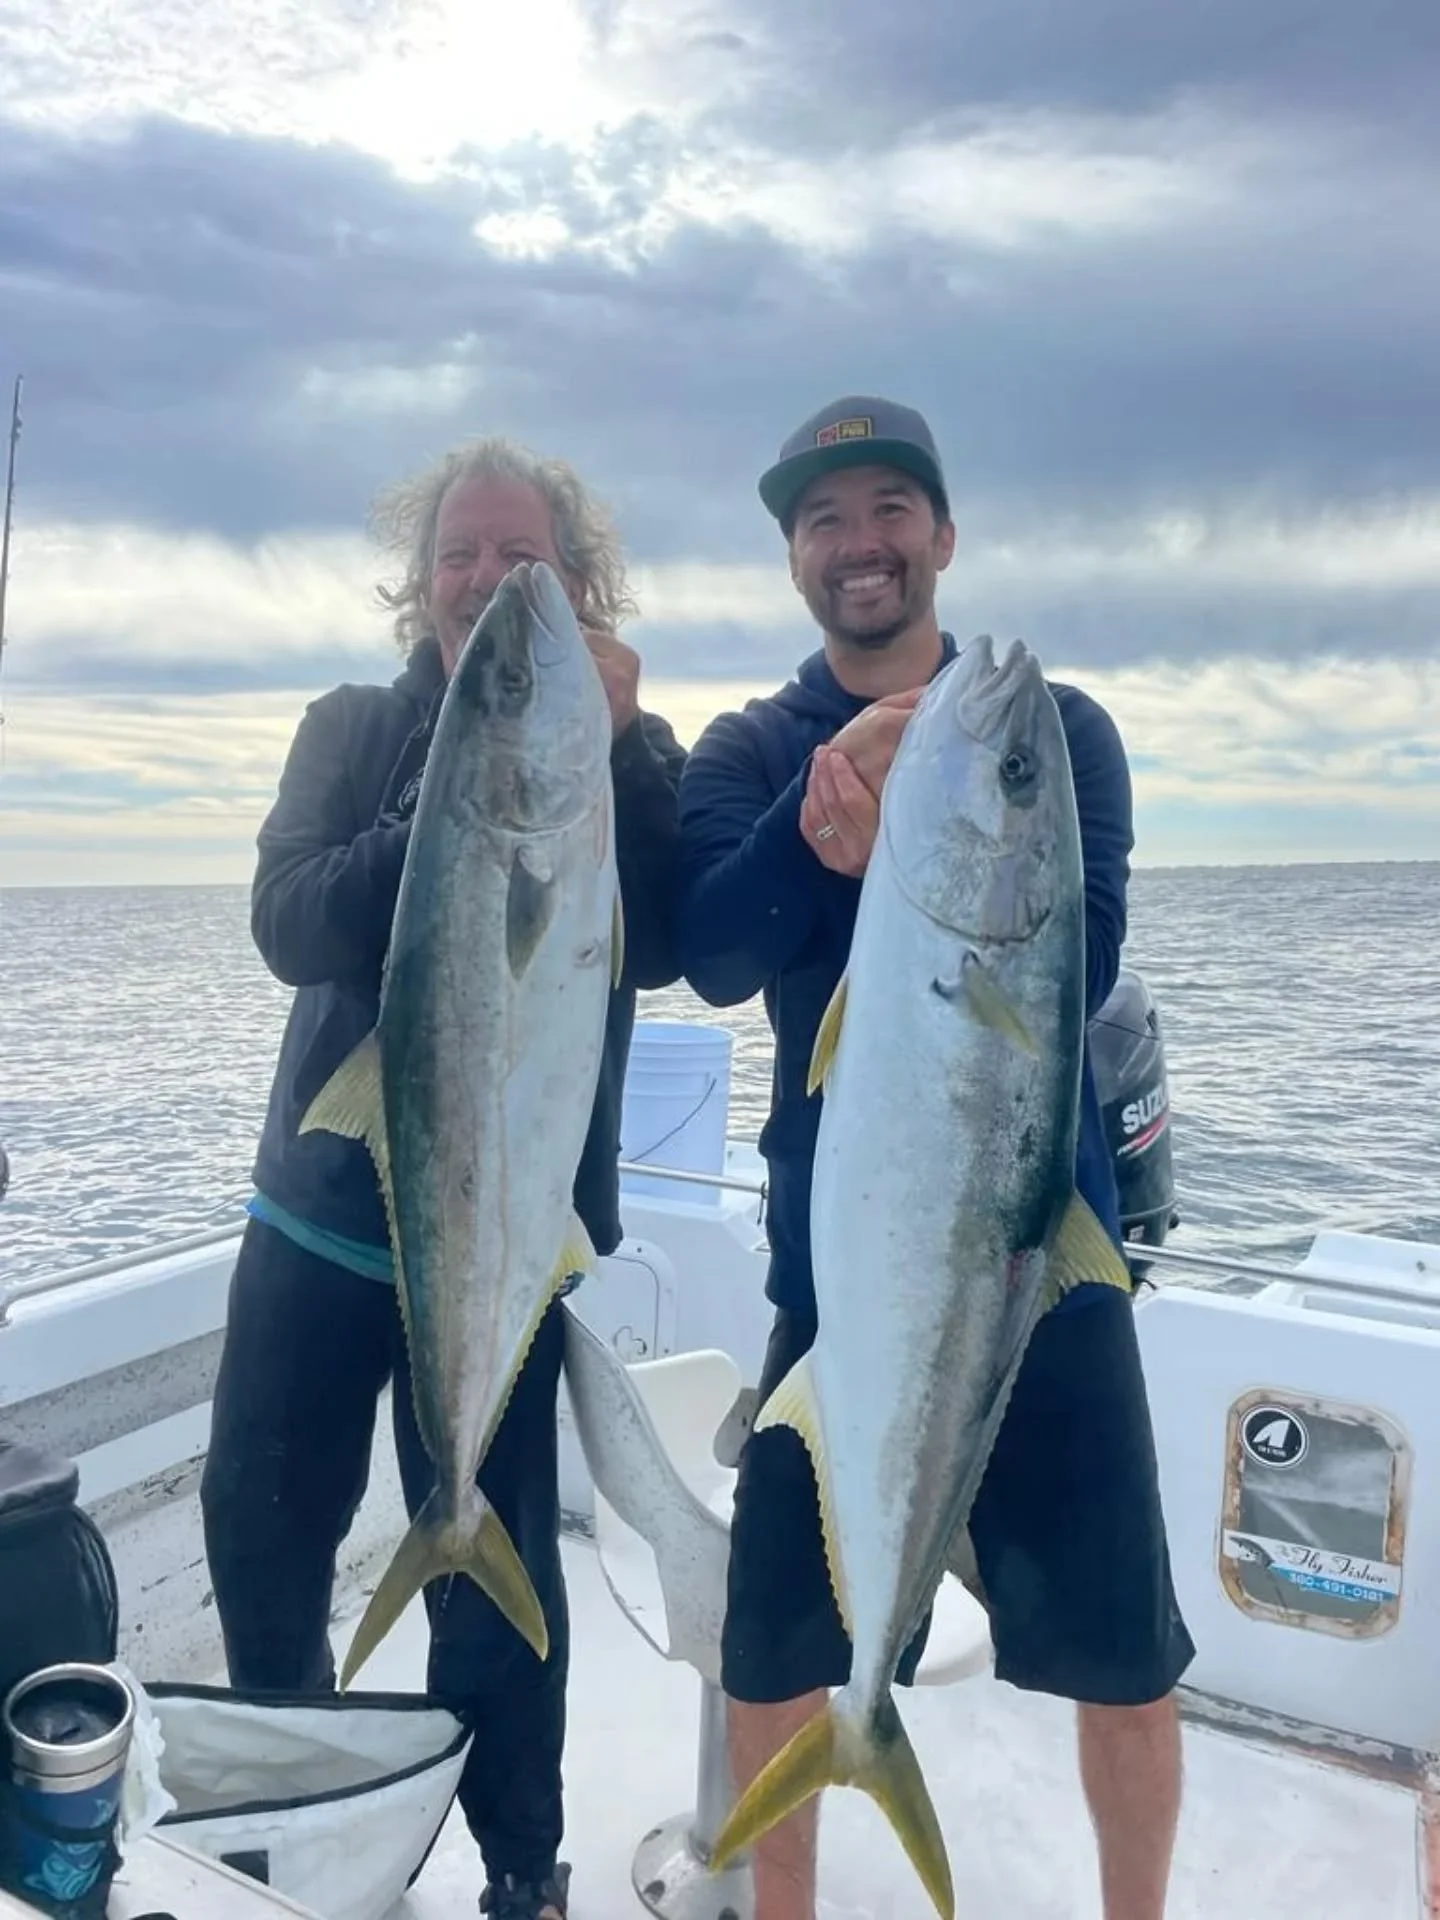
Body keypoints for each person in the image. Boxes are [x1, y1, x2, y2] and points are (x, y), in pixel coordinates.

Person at [674, 395, 1195, 1920]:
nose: (861, 542)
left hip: (1043, 1266)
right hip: (841, 1291)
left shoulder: (1053, 732)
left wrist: (933, 809)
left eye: (891, 508)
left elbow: (1082, 951)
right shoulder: (753, 747)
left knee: (1125, 1659)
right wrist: (810, 822)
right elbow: (711, 953)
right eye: (824, 519)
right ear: (794, 558)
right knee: (774, 1652)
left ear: (944, 537)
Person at [200, 436, 688, 1920]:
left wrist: (611, 752)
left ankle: (521, 1871)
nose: (484, 577)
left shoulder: (624, 750)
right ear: (418, 586)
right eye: (458, 554)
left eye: (518, 555)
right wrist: (459, 801)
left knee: (496, 1592)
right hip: (314, 1230)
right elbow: (288, 919)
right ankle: (289, 1841)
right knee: (264, 1542)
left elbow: (671, 940)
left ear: (577, 584)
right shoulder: (351, 728)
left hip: (509, 1246)